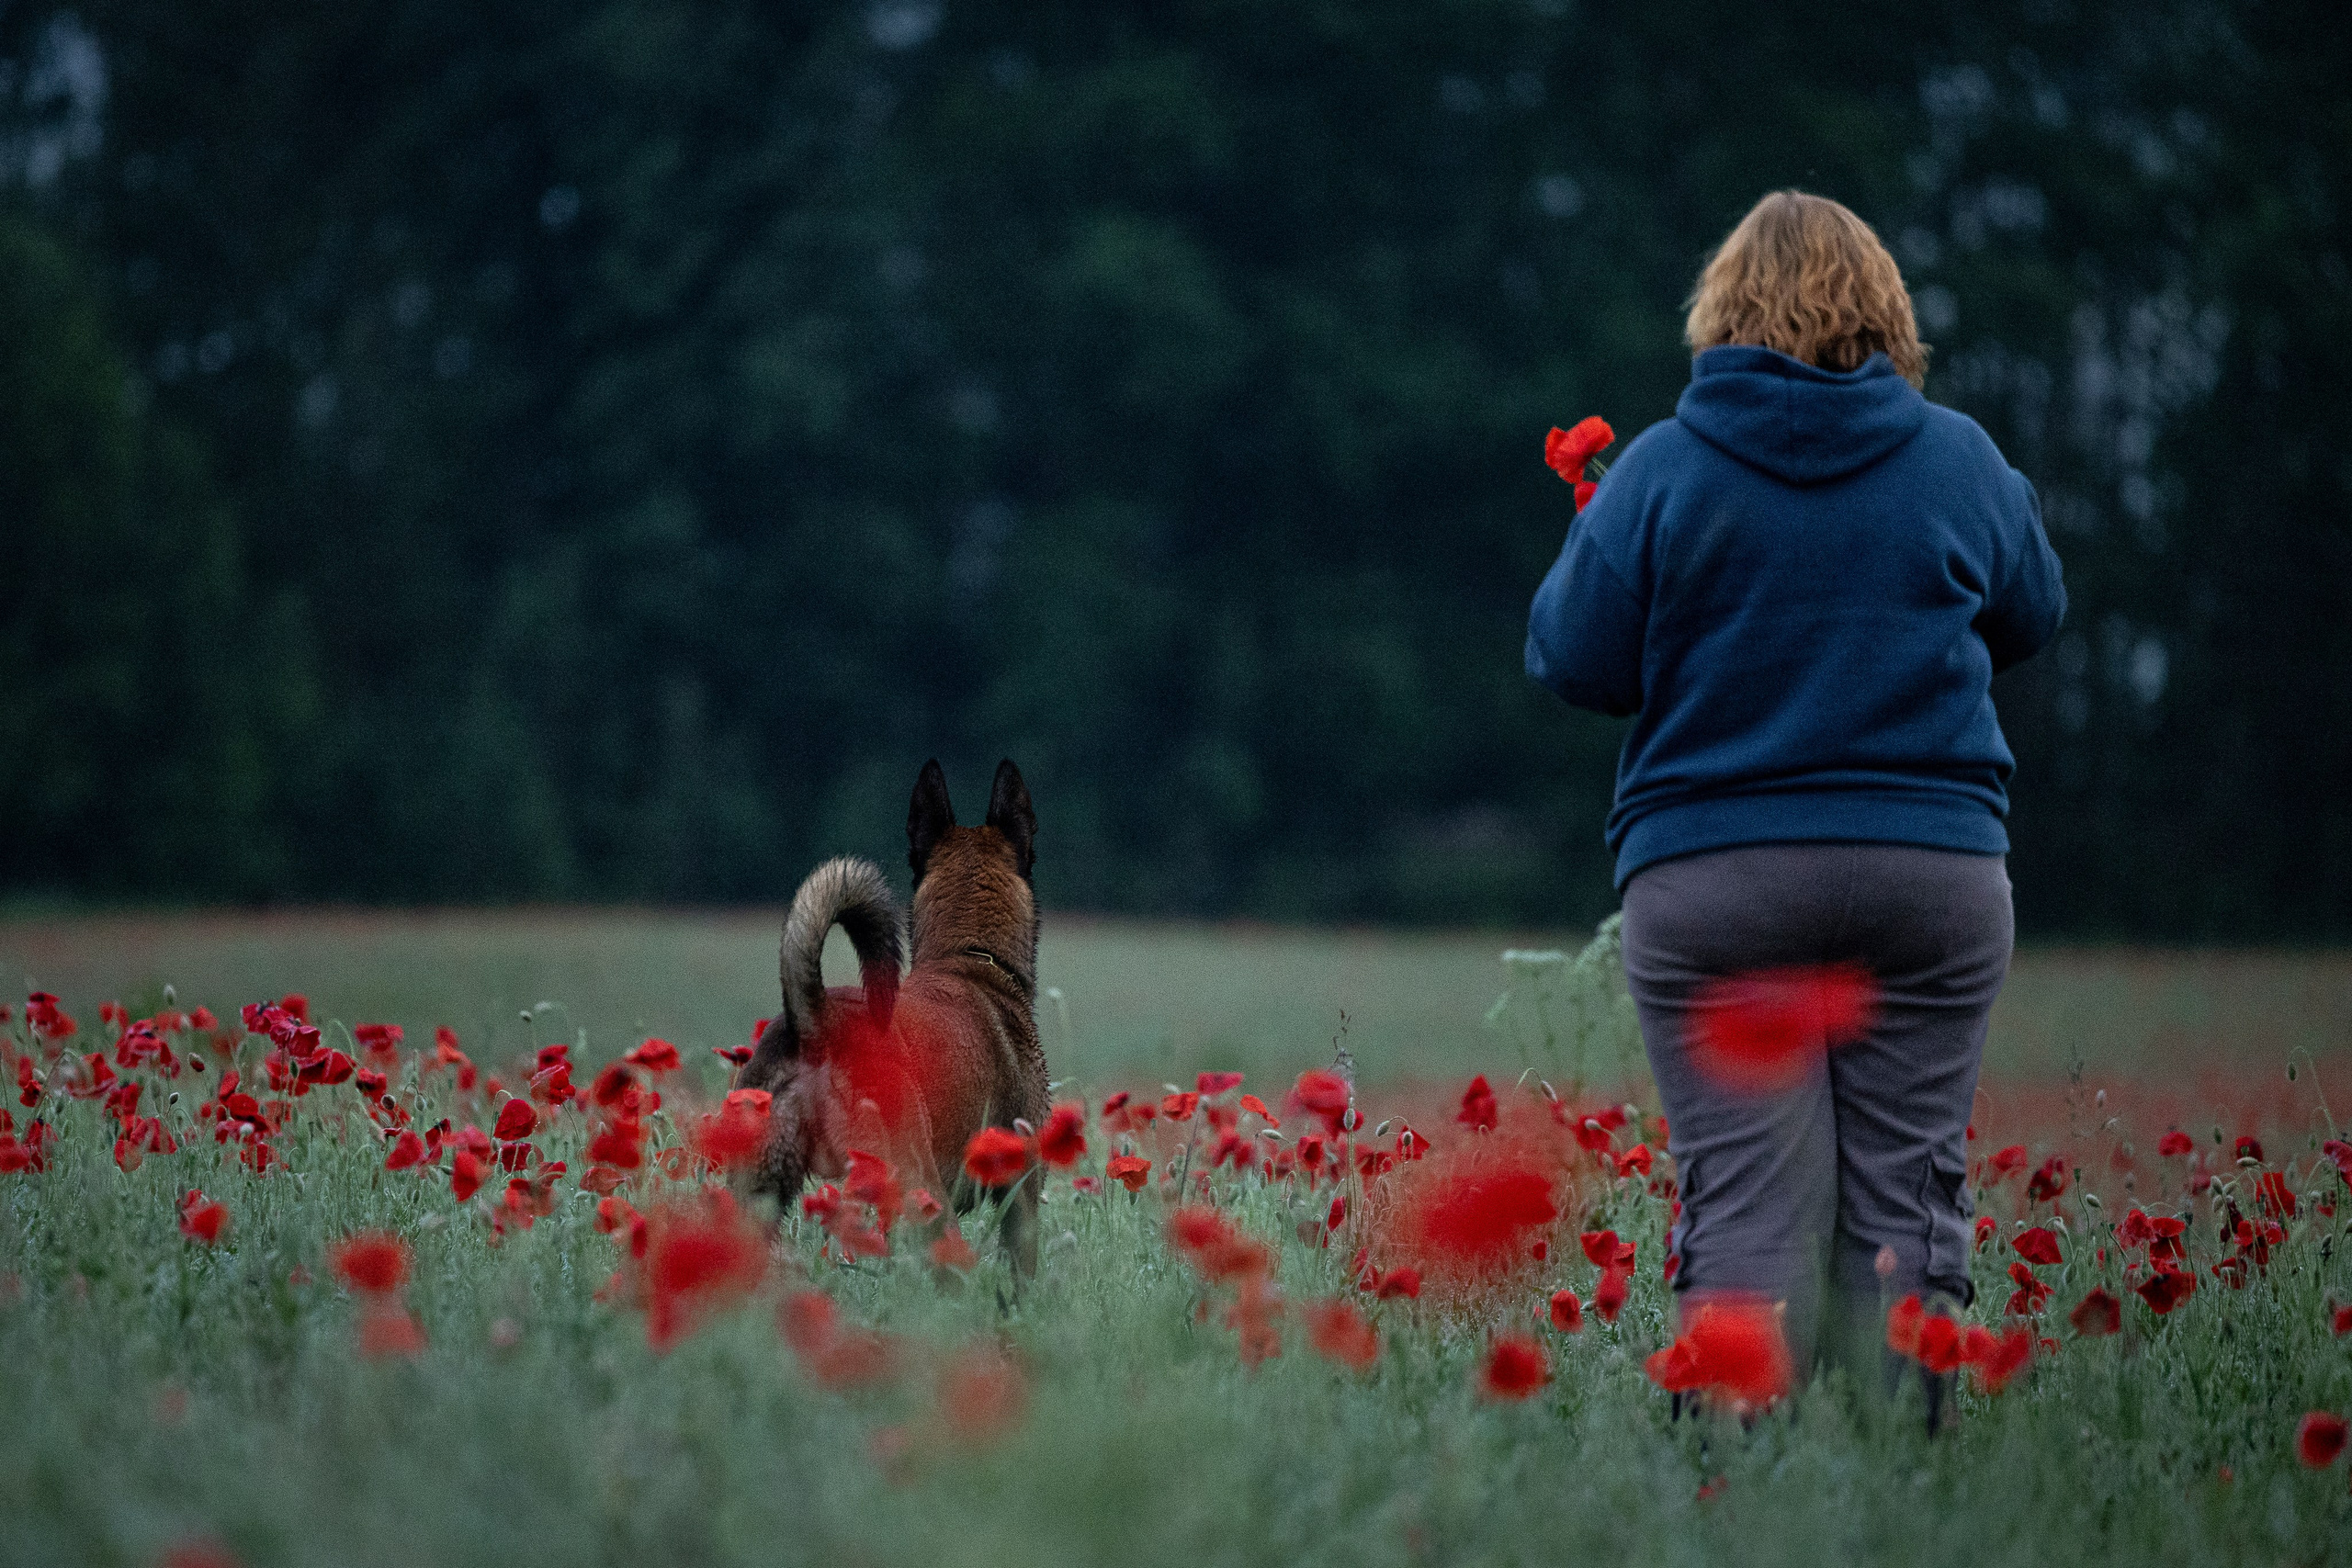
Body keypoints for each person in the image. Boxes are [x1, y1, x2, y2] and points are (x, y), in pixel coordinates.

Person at [1524, 190, 2065, 1418]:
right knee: (1906, 1209)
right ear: (1885, 313)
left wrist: (1610, 534)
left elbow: (1574, 662)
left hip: (1722, 879)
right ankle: (1901, 1490)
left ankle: (1739, 1500)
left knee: (1747, 1213)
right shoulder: (1960, 458)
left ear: (1721, 312)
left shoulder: (1662, 467)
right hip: (1933, 874)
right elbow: (2036, 613)